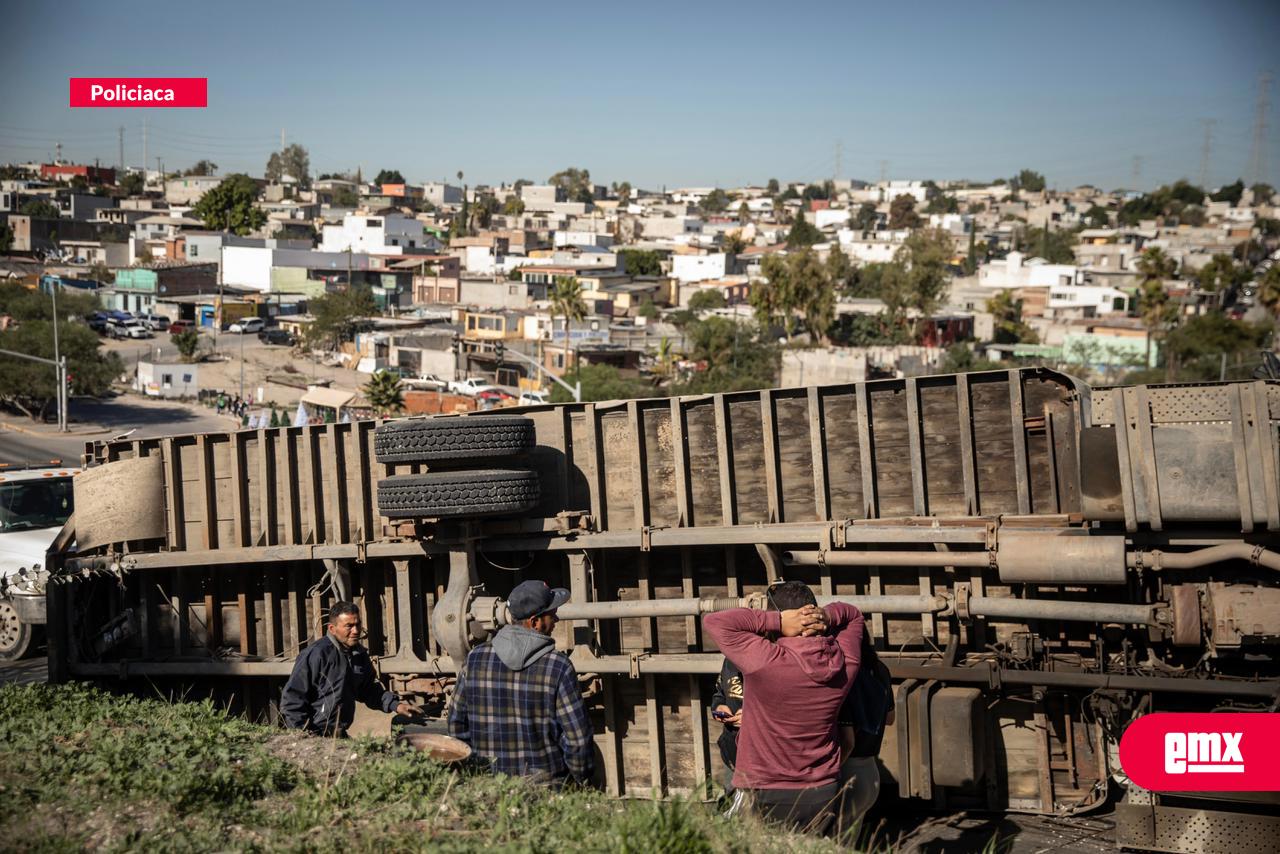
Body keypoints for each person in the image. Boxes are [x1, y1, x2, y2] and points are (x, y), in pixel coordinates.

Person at [703, 581, 865, 834]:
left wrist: (776, 621)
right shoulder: (846, 665)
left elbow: (715, 621)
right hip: (822, 789)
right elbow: (853, 615)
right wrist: (828, 616)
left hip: (764, 787)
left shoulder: (764, 660)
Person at [449, 580, 593, 786]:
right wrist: (579, 780)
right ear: (534, 623)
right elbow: (578, 740)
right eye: (551, 615)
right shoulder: (558, 667)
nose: (556, 619)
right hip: (545, 789)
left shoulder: (475, 659)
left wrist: (473, 773)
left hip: (488, 786)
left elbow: (456, 723)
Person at [280, 601, 418, 737]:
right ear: (332, 629)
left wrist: (397, 706)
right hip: (314, 734)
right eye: (349, 626)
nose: (356, 631)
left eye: (358, 624)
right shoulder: (317, 655)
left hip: (338, 734)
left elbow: (368, 690)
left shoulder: (358, 654)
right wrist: (302, 735)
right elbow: (292, 699)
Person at [833, 629, 896, 838]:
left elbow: (847, 742)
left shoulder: (846, 675)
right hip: (870, 773)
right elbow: (889, 718)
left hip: (847, 774)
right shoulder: (881, 669)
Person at [711, 657, 744, 782]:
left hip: (763, 754)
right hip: (732, 750)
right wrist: (718, 709)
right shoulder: (730, 660)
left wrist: (753, 716)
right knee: (731, 797)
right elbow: (719, 694)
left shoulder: (773, 660)